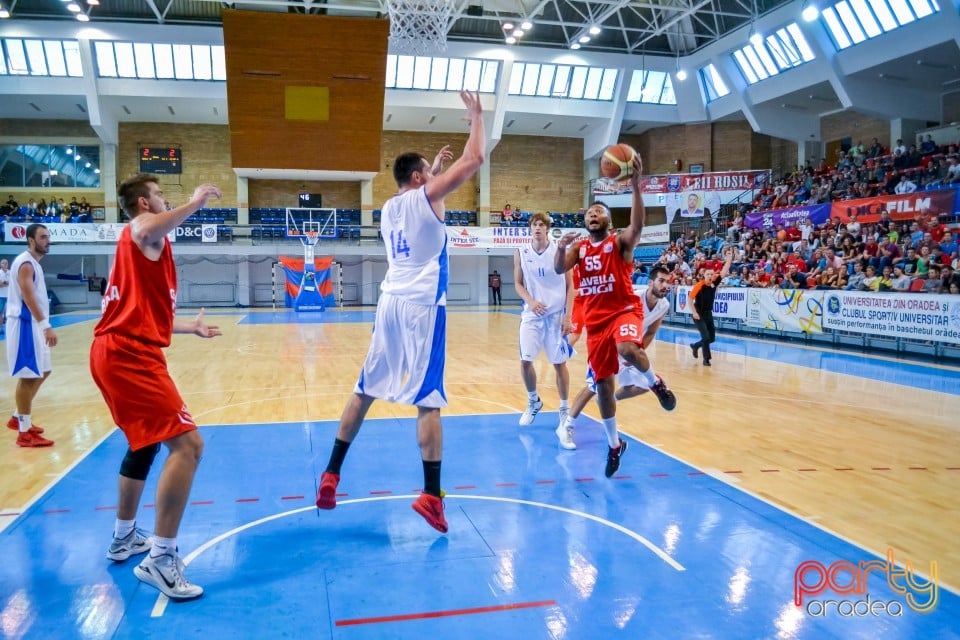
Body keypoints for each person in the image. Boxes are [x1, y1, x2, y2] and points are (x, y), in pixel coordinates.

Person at [314, 91, 485, 534]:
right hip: (422, 306)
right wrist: (477, 118)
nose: (434, 177)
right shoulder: (420, 198)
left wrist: (437, 169)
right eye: (428, 173)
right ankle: (431, 496)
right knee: (428, 401)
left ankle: (331, 473)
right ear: (417, 177)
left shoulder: (389, 208)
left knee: (365, 389)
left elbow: (427, 210)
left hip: (389, 301)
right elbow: (477, 158)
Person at [90, 174, 223, 600]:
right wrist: (196, 203)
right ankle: (162, 560)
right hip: (128, 355)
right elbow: (145, 226)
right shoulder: (142, 232)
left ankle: (124, 536)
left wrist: (190, 327)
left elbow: (154, 319)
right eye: (160, 196)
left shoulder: (151, 251)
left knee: (146, 444)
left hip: (118, 350)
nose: (166, 201)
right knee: (189, 446)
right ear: (144, 204)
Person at [554, 155, 676, 477]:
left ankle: (656, 383)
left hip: (623, 311)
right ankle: (613, 445)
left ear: (608, 220)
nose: (593, 215)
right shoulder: (579, 249)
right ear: (585, 221)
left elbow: (637, 226)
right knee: (603, 389)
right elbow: (557, 268)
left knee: (626, 348)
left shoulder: (619, 243)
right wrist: (559, 247)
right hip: (595, 326)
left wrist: (636, 184)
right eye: (589, 213)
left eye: (599, 212)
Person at [558, 265, 673, 450]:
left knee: (645, 385)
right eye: (661, 280)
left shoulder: (664, 305)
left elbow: (651, 331)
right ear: (651, 282)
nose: (666, 285)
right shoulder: (633, 296)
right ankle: (567, 426)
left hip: (632, 348)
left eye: (668, 281)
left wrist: (637, 350)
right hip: (609, 343)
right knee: (593, 386)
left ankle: (609, 399)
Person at [514, 212, 575, 428]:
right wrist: (531, 301)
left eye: (541, 224)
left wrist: (568, 316)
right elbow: (518, 284)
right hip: (532, 315)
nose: (538, 227)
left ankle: (564, 409)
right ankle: (533, 401)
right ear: (530, 228)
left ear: (547, 228)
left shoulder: (560, 250)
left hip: (556, 315)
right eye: (534, 224)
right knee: (525, 360)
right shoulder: (521, 252)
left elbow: (570, 286)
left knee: (559, 364)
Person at [7, 224, 58, 447]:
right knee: (28, 377)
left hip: (33, 325)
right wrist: (46, 325)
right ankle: (24, 432)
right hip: (26, 325)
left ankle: (18, 416)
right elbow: (29, 298)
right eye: (43, 237)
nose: (47, 241)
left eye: (48, 237)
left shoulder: (33, 263)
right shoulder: (26, 264)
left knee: (44, 370)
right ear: (30, 240)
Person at [688, 248, 734, 366]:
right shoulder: (699, 285)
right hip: (698, 314)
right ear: (704, 275)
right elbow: (690, 299)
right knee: (706, 336)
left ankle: (695, 346)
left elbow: (724, 271)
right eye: (708, 274)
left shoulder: (714, 282)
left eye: (711, 274)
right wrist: (694, 313)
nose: (710, 276)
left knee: (711, 338)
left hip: (708, 313)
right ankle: (706, 359)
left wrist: (729, 258)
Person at [0, 258, 9, 333]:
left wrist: (5, 283)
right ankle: (0, 328)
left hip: (9, 295)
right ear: (1, 264)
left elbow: (13, 283)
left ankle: (9, 327)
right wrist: (6, 283)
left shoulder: (10, 272)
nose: (5, 264)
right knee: (0, 312)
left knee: (10, 312)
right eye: (3, 263)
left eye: (6, 263)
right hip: (1, 296)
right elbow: (0, 284)